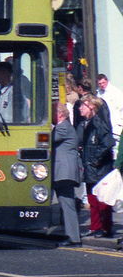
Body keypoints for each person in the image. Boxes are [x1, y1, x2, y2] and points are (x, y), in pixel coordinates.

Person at [78, 95, 116, 238]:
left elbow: (108, 143)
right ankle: (95, 227)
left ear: (91, 107)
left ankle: (105, 228)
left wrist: (96, 159)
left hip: (100, 168)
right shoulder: (85, 124)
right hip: (90, 167)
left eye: (83, 105)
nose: (80, 108)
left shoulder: (99, 123)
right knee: (92, 199)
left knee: (102, 200)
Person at [52, 101, 83, 246]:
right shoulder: (64, 127)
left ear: (59, 114)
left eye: (51, 113)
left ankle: (73, 237)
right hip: (62, 172)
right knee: (67, 204)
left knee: (67, 204)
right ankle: (71, 235)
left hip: (63, 173)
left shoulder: (63, 128)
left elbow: (47, 140)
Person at [96, 73, 123, 152]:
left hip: (115, 125)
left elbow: (122, 107)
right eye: (100, 83)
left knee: (116, 148)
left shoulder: (115, 92)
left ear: (107, 81)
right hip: (104, 124)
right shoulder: (99, 93)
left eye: (103, 83)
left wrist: (120, 123)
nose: (102, 85)